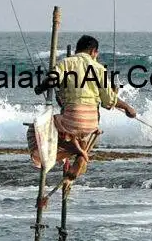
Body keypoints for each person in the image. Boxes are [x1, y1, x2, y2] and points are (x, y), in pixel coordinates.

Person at [33, 35, 137, 178]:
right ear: (93, 51)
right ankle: (80, 155)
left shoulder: (66, 63)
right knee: (73, 130)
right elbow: (108, 101)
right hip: (91, 124)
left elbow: (52, 80)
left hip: (72, 120)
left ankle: (78, 152)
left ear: (78, 50)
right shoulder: (99, 69)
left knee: (37, 128)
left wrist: (40, 88)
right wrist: (127, 108)